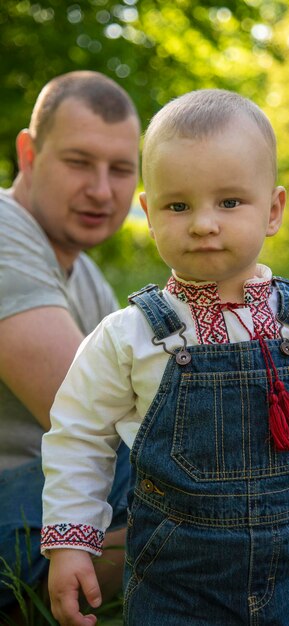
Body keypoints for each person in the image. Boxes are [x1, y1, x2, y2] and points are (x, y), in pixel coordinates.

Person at [41, 89, 289, 626]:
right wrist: (72, 540)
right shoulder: (128, 336)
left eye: (229, 202)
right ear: (148, 213)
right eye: (178, 205)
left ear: (273, 210)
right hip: (173, 584)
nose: (202, 224)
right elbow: (78, 436)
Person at [0, 71, 140, 615]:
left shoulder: (83, 275)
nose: (102, 191)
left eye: (121, 170)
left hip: (42, 500)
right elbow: (95, 413)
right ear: (29, 153)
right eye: (79, 162)